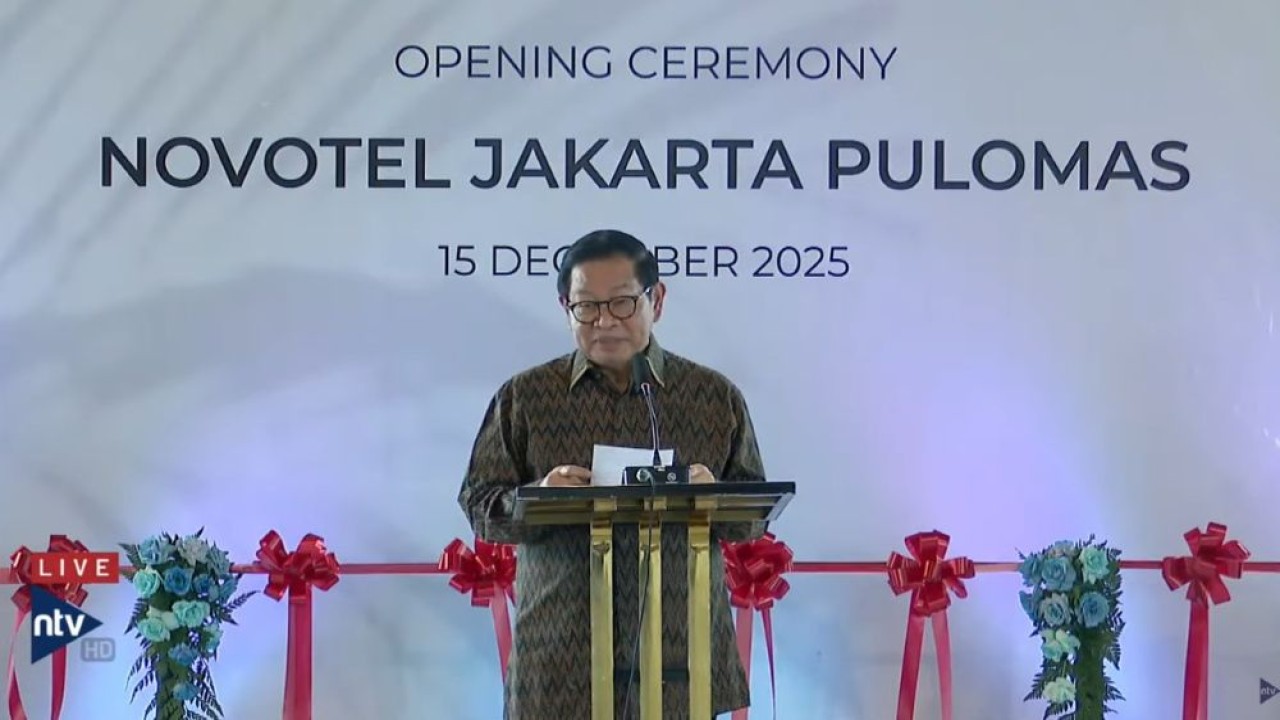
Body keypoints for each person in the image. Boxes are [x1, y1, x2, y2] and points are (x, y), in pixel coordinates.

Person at [457, 229, 769, 719]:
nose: (604, 321)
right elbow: (478, 504)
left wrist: (715, 496)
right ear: (565, 307)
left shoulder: (712, 397)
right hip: (561, 653)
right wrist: (536, 496)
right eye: (586, 307)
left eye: (623, 303)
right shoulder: (526, 397)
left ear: (656, 300)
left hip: (680, 654)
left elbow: (753, 515)